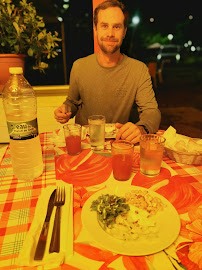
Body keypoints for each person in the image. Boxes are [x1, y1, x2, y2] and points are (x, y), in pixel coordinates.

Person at [54, 0, 161, 144]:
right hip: (86, 146)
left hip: (121, 144)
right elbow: (72, 102)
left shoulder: (139, 70)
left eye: (116, 26)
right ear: (96, 29)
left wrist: (142, 128)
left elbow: (152, 112)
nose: (110, 33)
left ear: (124, 32)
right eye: (104, 26)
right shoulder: (79, 66)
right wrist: (65, 109)